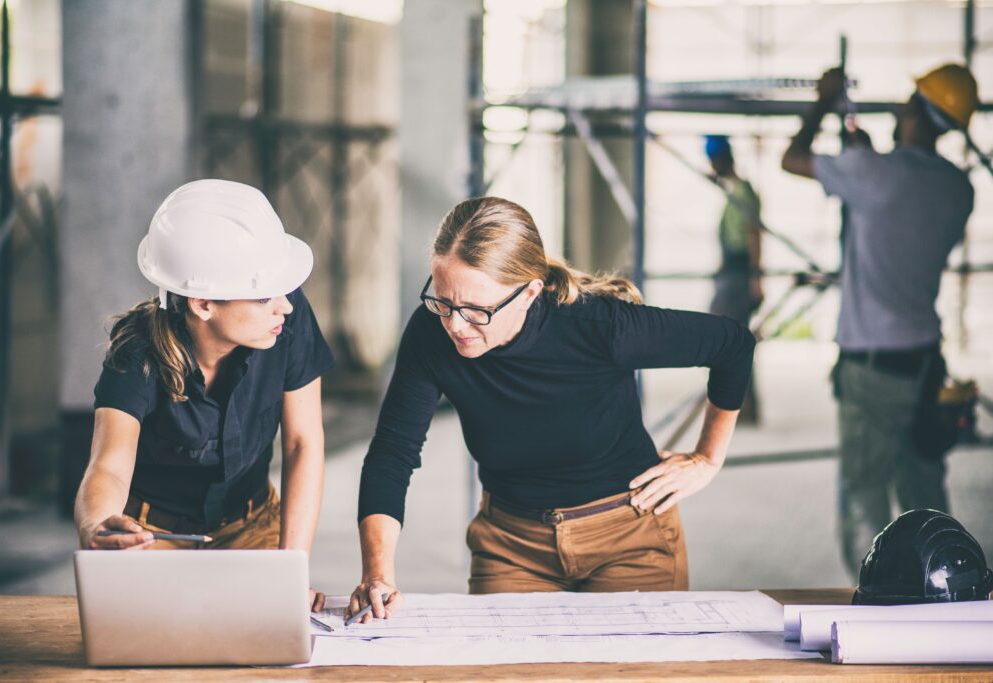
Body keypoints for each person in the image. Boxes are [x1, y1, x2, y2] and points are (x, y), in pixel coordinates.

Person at [346, 196, 756, 622]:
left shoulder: (600, 327)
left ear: (529, 293)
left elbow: (733, 344)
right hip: (511, 544)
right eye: (444, 301)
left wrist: (708, 457)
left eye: (477, 311)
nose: (455, 325)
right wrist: (378, 574)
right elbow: (393, 454)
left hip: (629, 536)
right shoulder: (431, 334)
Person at [74, 179, 335, 609]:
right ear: (202, 304)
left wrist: (290, 566)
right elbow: (109, 466)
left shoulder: (286, 318)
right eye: (265, 294)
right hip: (151, 536)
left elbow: (302, 443)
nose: (284, 306)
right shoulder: (137, 350)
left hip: (253, 526)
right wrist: (98, 525)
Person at [781, 64, 977, 577]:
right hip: (926, 364)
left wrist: (823, 102)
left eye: (908, 102)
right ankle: (941, 587)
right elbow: (895, 198)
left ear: (916, 114)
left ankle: (879, 596)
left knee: (866, 494)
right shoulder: (959, 190)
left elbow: (793, 159)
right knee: (924, 491)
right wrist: (863, 159)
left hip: (873, 369)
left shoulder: (877, 174)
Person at [705, 134, 764, 423]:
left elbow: (753, 234)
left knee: (731, 339)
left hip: (739, 273)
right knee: (731, 338)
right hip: (732, 270)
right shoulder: (734, 192)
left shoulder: (743, 194)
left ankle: (741, 407)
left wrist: (756, 278)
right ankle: (741, 407)